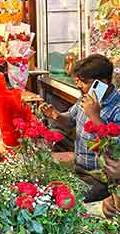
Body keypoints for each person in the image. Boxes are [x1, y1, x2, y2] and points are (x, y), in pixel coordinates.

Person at [40, 54, 120, 203]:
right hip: (79, 169)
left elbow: (114, 148)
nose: (79, 85)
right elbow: (70, 120)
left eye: (84, 81)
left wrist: (94, 115)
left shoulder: (116, 107)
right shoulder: (87, 97)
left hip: (102, 180)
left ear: (102, 82)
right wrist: (56, 116)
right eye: (78, 80)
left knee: (68, 202)